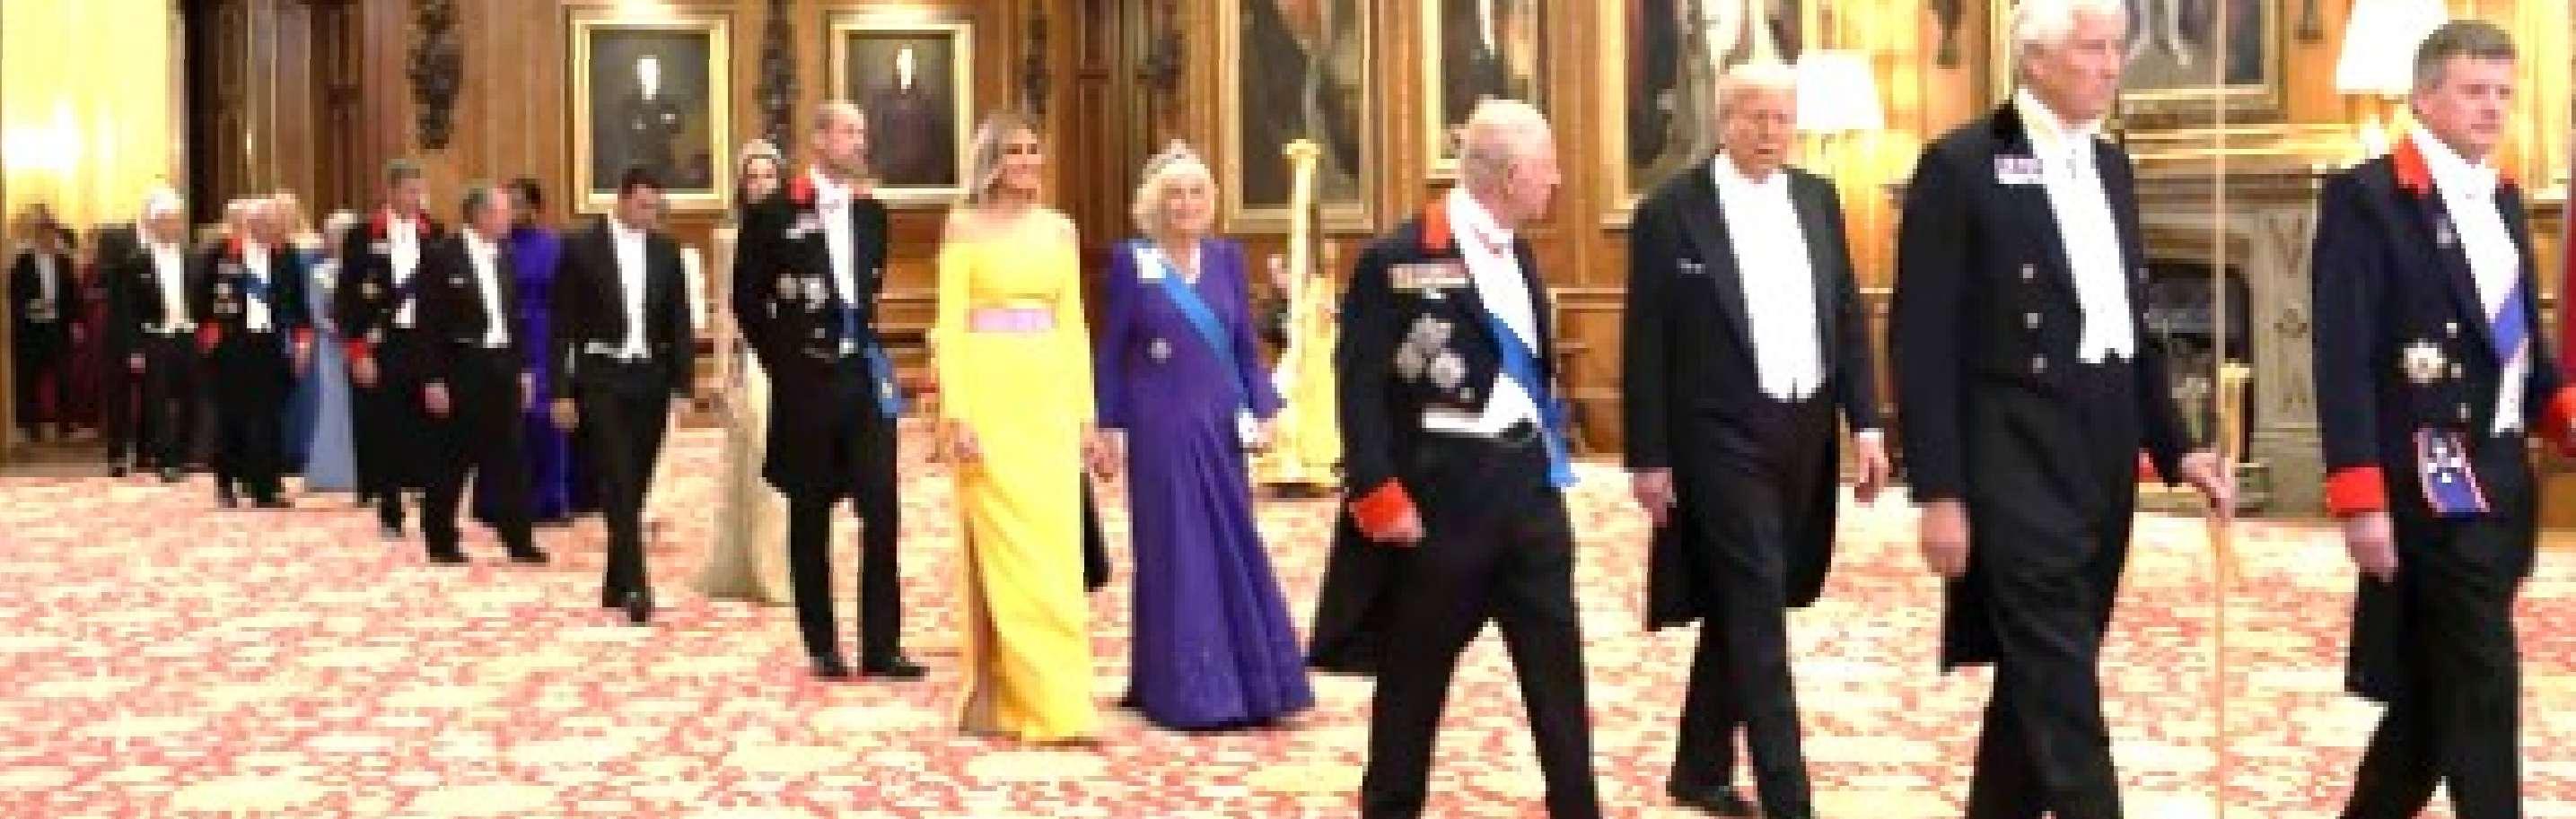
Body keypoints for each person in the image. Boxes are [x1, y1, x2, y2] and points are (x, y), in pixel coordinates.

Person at [1890, 1, 2231, 816]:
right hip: (2011, 455)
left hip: (2101, 451)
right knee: (2063, 691)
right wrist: (1939, 490)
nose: (2112, 65)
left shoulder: (2111, 166)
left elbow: (2132, 326)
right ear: (2034, 59)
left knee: (2039, 681)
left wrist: (2176, 446)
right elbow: (1921, 341)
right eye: (2092, 49)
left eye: (2117, 48)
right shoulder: (1961, 165)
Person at [1307, 99, 1599, 818]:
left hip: (1528, 495)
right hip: (1442, 501)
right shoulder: (1397, 258)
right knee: (1413, 679)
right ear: (1510, 174)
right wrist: (1376, 492)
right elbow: (1360, 387)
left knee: (1558, 675)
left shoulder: (1521, 252)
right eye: (1548, 166)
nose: (1558, 181)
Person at [2313, 22, 2565, 819]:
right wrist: (2359, 497)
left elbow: (2520, 350)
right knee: (2484, 685)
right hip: (2432, 484)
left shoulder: (2504, 197)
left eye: (2503, 93)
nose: (2493, 109)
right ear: (2424, 97)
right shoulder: (2368, 199)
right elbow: (2343, 358)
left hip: (2502, 477)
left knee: (2433, 698)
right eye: (2473, 91)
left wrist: (2562, 412)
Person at [1623, 61, 1889, 819]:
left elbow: (1845, 315)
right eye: (1756, 117)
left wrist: (1867, 423)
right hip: (1719, 433)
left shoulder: (1818, 198)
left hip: (1803, 429)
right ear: (1724, 119)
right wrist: (1648, 456)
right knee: (1757, 607)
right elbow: (1646, 342)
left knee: (1753, 594)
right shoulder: (1671, 211)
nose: (1771, 132)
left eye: (1783, 118)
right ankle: (1788, 795)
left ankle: (1699, 767)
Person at [1094, 142, 1314, 731]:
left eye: (1196, 193)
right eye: (1175, 194)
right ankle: (1182, 689)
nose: (1186, 204)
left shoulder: (1226, 259)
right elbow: (1113, 350)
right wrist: (1108, 426)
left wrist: (1265, 408)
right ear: (1154, 204)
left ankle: (1253, 681)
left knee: (1231, 540)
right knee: (1177, 549)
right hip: (1160, 427)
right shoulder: (1131, 261)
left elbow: (1243, 345)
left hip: (1219, 423)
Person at [733, 103, 924, 679]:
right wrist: (785, 364)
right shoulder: (773, 213)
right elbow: (748, 301)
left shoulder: (873, 216)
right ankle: (822, 643)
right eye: (849, 132)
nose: (860, 141)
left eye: (864, 131)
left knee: (881, 510)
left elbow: (868, 296)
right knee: (810, 512)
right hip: (807, 382)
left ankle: (882, 645)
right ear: (818, 140)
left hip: (862, 378)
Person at [933, 109, 1105, 741]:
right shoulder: (963, 227)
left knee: (1055, 556)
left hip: (1047, 401)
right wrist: (957, 413)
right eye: (1014, 151)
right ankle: (1024, 701)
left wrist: (1085, 416)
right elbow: (951, 324)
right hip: (989, 400)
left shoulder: (1060, 230)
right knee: (1008, 555)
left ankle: (1062, 700)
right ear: (991, 161)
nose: (1028, 161)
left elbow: (1074, 327)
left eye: (1034, 149)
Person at [551, 168, 695, 625]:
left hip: (650, 377)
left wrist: (683, 386)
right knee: (617, 476)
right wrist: (560, 391)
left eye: (655, 208)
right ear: (621, 199)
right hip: (601, 376)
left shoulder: (667, 252)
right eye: (643, 206)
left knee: (635, 482)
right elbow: (561, 325)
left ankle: (615, 580)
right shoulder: (580, 248)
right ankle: (637, 586)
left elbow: (680, 322)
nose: (650, 215)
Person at [411, 183, 546, 566]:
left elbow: (514, 318)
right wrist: (432, 379)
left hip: (502, 366)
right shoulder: (442, 256)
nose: (510, 218)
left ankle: (519, 540)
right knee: (450, 458)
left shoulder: (506, 254)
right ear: (480, 215)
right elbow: (428, 324)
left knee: (511, 457)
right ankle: (441, 540)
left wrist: (524, 369)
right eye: (503, 211)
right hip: (460, 366)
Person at [702, 139, 795, 606]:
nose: (760, 185)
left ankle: (788, 564)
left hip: (796, 353)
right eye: (752, 177)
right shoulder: (729, 237)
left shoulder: (800, 226)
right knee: (759, 454)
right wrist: (721, 369)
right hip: (754, 357)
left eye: (768, 176)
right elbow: (725, 308)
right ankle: (762, 567)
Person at [339, 161, 441, 539]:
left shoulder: (434, 232)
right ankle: (390, 512)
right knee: (385, 428)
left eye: (420, 191)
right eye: (411, 191)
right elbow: (348, 298)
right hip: (382, 342)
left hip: (423, 341)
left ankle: (433, 515)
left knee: (429, 427)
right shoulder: (362, 236)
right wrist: (358, 351)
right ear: (391, 191)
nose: (417, 198)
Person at [192, 197, 312, 509]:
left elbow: (298, 304)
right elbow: (200, 301)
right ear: (252, 225)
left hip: (270, 345)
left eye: (278, 225)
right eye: (270, 225)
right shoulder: (220, 254)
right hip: (231, 347)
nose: (277, 231)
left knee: (268, 419)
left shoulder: (286, 256)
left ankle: (265, 488)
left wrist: (302, 344)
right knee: (231, 417)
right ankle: (226, 484)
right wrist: (210, 341)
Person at [475, 178, 578, 525]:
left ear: (536, 208)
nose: (511, 211)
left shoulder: (555, 246)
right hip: (503, 336)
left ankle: (551, 501)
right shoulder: (494, 246)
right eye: (507, 205)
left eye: (518, 204)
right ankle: (499, 501)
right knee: (505, 418)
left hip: (544, 337)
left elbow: (567, 297)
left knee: (546, 417)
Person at [114, 189, 201, 484]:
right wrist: (134, 350)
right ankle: (166, 461)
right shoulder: (136, 262)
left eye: (176, 220)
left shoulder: (192, 257)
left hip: (188, 336)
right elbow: (127, 311)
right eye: (166, 221)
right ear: (153, 224)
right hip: (155, 338)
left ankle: (184, 455)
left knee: (191, 398)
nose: (173, 226)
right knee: (158, 402)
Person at [289, 206, 359, 493]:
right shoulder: (319, 272)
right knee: (333, 408)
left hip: (362, 348)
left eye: (344, 235)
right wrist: (339, 330)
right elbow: (315, 312)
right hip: (331, 348)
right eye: (334, 235)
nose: (338, 240)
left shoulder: (366, 269)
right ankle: (330, 473)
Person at [13, 216, 80, 443]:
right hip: (31, 329)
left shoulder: (64, 262)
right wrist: (30, 305)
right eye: (45, 236)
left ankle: (65, 424)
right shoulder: (23, 262)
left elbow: (72, 295)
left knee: (64, 377)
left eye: (53, 236)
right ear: (37, 237)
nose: (50, 240)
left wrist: (75, 322)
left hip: (57, 327)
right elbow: (15, 293)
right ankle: (32, 426)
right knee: (30, 378)